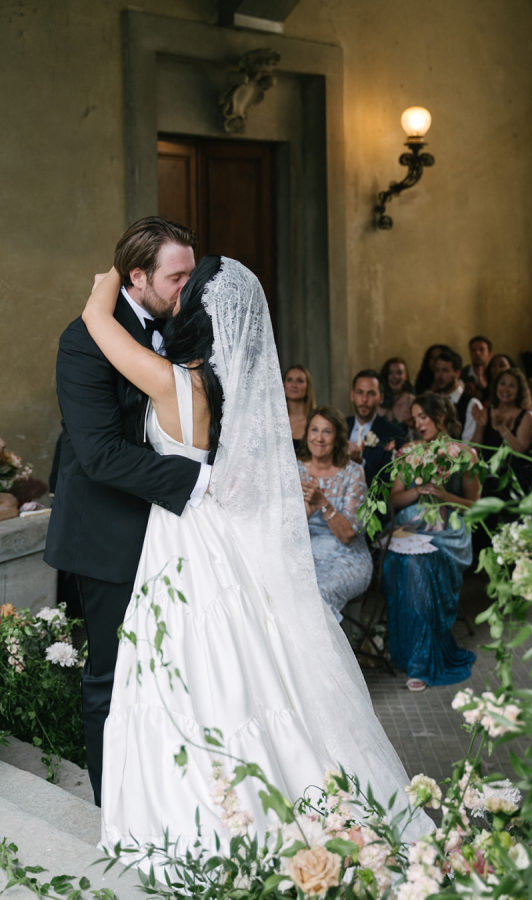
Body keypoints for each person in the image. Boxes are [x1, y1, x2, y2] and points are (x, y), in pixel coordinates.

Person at [80, 257, 433, 860]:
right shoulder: (225, 390)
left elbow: (95, 319)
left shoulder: (172, 382)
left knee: (182, 670)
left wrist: (115, 272)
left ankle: (195, 820)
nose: (176, 296)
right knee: (231, 665)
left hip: (182, 536)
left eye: (185, 290)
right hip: (214, 529)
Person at [44, 217, 208, 806]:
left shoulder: (184, 325)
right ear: (137, 277)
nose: (187, 287)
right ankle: (111, 810)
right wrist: (202, 480)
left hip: (176, 531)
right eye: (176, 277)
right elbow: (100, 455)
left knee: (174, 670)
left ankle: (164, 796)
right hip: (110, 534)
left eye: (190, 274)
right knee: (112, 678)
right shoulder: (85, 339)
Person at [382, 393, 480, 692]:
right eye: (415, 419)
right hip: (410, 526)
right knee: (402, 561)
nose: (419, 424)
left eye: (423, 417)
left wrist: (444, 496)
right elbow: (395, 499)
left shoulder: (465, 454)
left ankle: (422, 663)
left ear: (441, 416)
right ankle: (409, 650)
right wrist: (418, 490)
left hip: (448, 532)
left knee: (419, 565)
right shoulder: (409, 451)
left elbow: (476, 505)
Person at [298, 406, 373, 622]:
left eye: (327, 432)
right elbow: (281, 530)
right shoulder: (293, 470)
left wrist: (323, 503)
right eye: (314, 430)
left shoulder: (353, 472)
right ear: (307, 433)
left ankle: (322, 645)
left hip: (346, 557)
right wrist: (305, 512)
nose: (319, 438)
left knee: (318, 593)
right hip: (304, 554)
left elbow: (348, 534)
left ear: (338, 437)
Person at [471, 367, 532, 491]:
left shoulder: (526, 416)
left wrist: (501, 428)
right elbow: (475, 448)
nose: (505, 389)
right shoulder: (488, 410)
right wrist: (480, 425)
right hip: (487, 471)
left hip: (512, 476)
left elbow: (519, 452)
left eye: (512, 386)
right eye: (502, 384)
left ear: (519, 390)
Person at [346, 369, 406, 485]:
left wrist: (360, 462)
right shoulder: (339, 427)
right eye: (360, 392)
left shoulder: (394, 433)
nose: (364, 399)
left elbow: (387, 481)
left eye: (371, 393)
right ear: (352, 395)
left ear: (381, 398)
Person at [432, 349, 482, 442]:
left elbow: (469, 444)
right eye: (437, 370)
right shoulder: (432, 400)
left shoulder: (471, 403)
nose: (440, 376)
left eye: (445, 371)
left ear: (457, 373)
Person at [282, 364, 316, 453]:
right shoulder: (273, 420)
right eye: (289, 380)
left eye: (300, 381)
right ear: (283, 385)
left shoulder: (315, 420)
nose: (294, 385)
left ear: (308, 387)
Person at [378, 356, 415, 427]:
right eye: (390, 373)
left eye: (399, 373)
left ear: (406, 376)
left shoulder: (411, 401)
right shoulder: (377, 399)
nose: (395, 377)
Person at [460, 335, 492, 400]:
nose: (477, 353)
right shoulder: (461, 374)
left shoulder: (493, 373)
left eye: (481, 350)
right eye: (473, 350)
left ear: (489, 354)